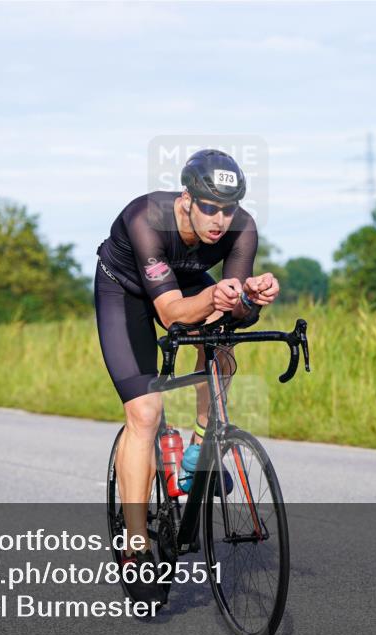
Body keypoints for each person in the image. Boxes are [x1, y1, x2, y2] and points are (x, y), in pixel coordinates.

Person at [95, 149, 280, 603]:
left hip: (187, 282)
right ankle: (136, 548)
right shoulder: (145, 218)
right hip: (128, 293)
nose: (220, 220)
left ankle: (200, 448)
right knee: (145, 411)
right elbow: (173, 313)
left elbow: (235, 312)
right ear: (186, 200)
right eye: (210, 208)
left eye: (229, 209)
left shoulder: (243, 228)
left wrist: (250, 298)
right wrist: (219, 296)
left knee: (221, 349)